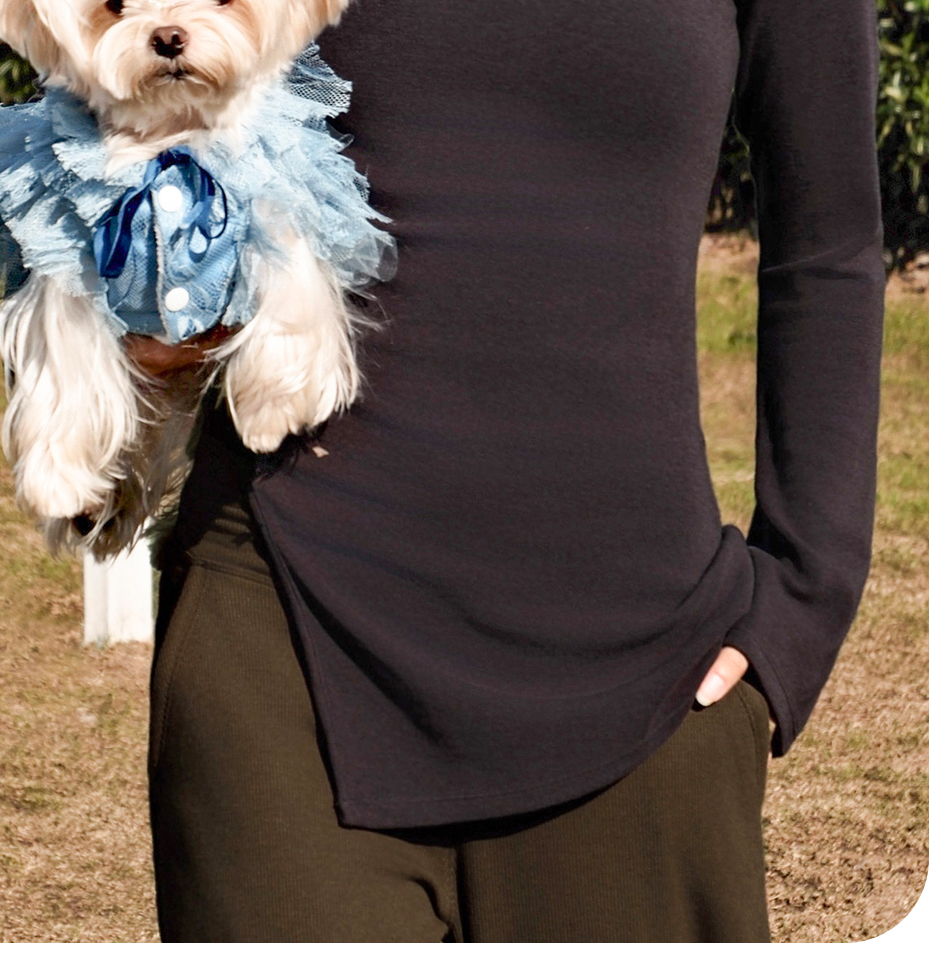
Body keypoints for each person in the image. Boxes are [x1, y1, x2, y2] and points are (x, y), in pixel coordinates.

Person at [129, 0, 887, 942]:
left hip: (651, 674)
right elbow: (91, 104)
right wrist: (117, 328)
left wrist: (804, 604)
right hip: (284, 630)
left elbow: (828, 245)